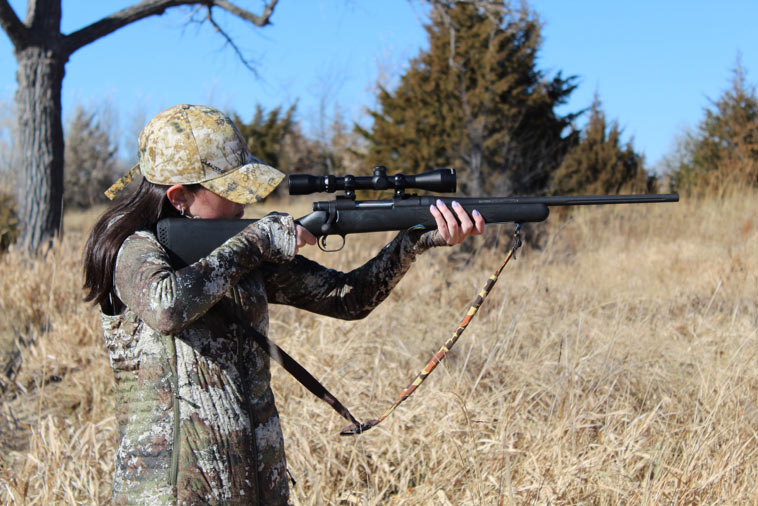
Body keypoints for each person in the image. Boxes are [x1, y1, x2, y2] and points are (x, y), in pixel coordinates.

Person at [83, 104, 484, 505]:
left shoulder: (241, 252)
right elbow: (167, 307)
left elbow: (349, 299)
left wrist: (413, 241)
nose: (244, 205)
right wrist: (258, 241)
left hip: (258, 487)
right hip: (172, 495)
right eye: (230, 190)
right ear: (179, 197)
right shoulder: (134, 251)